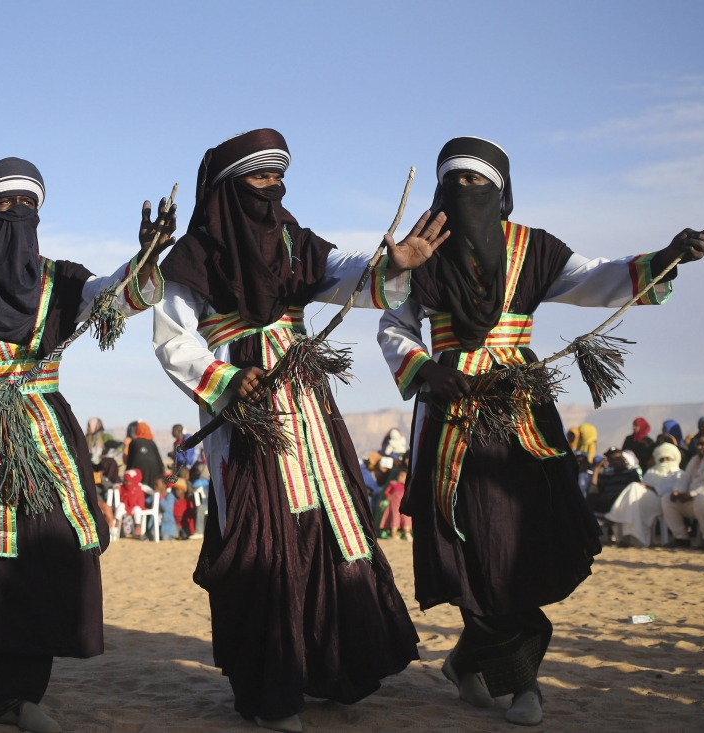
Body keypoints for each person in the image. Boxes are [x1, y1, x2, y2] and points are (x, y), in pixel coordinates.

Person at [377, 136, 704, 725]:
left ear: (502, 193)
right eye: (452, 183)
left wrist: (667, 255)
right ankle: (525, 686)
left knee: (529, 539)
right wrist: (427, 369)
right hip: (452, 415)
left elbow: (601, 278)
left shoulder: (536, 250)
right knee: (477, 545)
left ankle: (465, 661)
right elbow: (393, 324)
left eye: (476, 183)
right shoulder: (420, 252)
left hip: (524, 417)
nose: (464, 193)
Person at [153, 128, 433, 731]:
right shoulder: (194, 253)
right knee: (260, 538)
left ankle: (330, 669)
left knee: (329, 526)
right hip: (243, 413)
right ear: (230, 189)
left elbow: (346, 271)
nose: (274, 187)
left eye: (280, 177)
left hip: (306, 403)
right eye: (260, 178)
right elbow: (173, 340)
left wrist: (392, 264)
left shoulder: (292, 239)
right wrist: (224, 380)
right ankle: (269, 690)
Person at [0, 157, 171, 732]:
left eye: (29, 209)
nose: (18, 219)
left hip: (51, 439)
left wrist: (146, 259)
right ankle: (7, 690)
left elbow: (114, 299)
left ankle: (22, 690)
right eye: (4, 209)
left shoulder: (58, 279)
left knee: (52, 553)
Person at [606, 442, 684, 547]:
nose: (665, 461)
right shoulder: (651, 472)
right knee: (633, 499)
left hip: (661, 503)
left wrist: (652, 488)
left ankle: (613, 516)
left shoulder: (679, 474)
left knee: (634, 488)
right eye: (662, 459)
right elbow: (643, 485)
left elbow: (673, 490)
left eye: (668, 458)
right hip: (641, 502)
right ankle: (627, 538)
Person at [587, 450, 641, 515]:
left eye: (618, 459)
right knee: (592, 494)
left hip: (621, 503)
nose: (615, 462)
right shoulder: (607, 474)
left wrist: (613, 495)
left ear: (623, 459)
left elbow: (632, 490)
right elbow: (594, 486)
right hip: (606, 503)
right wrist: (596, 468)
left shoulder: (631, 473)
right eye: (612, 460)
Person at [125, 422, 165, 489]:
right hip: (153, 468)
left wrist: (128, 471)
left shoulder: (134, 442)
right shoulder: (152, 443)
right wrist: (161, 473)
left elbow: (130, 459)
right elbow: (158, 460)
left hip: (137, 467)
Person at [378, 468, 412, 540]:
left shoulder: (407, 486)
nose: (399, 477)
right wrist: (386, 498)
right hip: (394, 505)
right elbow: (386, 492)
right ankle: (394, 534)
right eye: (399, 475)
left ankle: (407, 533)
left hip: (404, 504)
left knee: (406, 518)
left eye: (402, 476)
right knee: (394, 518)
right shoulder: (393, 484)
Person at [119, 468, 147, 538]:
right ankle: (117, 522)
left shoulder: (139, 487)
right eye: (125, 481)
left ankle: (138, 525)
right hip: (125, 506)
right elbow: (117, 486)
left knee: (137, 510)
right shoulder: (123, 487)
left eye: (128, 481)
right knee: (120, 507)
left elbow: (150, 491)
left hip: (137, 506)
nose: (126, 483)